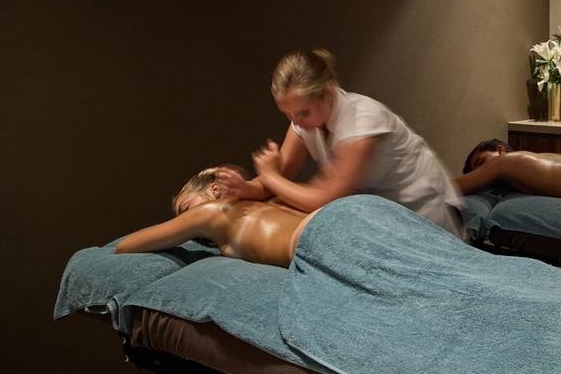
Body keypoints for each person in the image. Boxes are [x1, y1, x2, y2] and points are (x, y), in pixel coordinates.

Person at [214, 49, 464, 237]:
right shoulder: (304, 122)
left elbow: (325, 198)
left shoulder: (363, 119)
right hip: (382, 217)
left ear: (328, 92)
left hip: (423, 212)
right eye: (288, 115)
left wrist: (269, 177)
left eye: (303, 113)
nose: (296, 122)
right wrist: (246, 188)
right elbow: (282, 176)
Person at [115, 167, 316, 267]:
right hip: (324, 219)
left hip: (312, 240)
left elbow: (125, 246)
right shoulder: (265, 203)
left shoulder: (209, 211)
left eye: (186, 208)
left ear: (215, 189)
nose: (184, 219)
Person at [457, 139, 561, 200]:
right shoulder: (537, 159)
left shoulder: (504, 161)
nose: (482, 170)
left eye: (481, 162)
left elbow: (452, 187)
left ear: (500, 151)